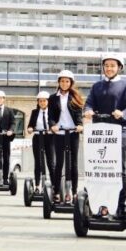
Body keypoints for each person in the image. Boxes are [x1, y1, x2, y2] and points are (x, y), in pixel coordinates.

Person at [84, 55, 126, 217]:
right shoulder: (97, 86)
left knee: (118, 171)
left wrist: (122, 113)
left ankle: (120, 206)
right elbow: (89, 103)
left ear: (119, 67)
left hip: (119, 133)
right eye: (106, 65)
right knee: (97, 169)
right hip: (100, 134)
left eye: (112, 65)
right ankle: (99, 204)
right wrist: (88, 111)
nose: (109, 68)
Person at [49, 70, 84, 204]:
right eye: (62, 81)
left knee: (73, 163)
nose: (64, 83)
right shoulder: (53, 98)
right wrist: (52, 125)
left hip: (73, 133)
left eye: (67, 81)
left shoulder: (75, 97)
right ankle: (57, 191)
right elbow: (50, 116)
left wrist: (80, 124)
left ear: (71, 83)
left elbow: (79, 114)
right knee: (59, 163)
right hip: (59, 133)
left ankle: (74, 192)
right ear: (59, 82)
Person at [26, 91, 55, 194]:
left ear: (48, 101)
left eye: (44, 101)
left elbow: (55, 124)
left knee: (51, 162)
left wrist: (52, 129)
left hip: (49, 138)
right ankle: (38, 186)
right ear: (38, 102)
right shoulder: (35, 112)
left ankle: (53, 185)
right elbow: (30, 125)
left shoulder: (52, 112)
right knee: (38, 162)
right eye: (40, 101)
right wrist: (30, 128)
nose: (42, 103)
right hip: (38, 137)